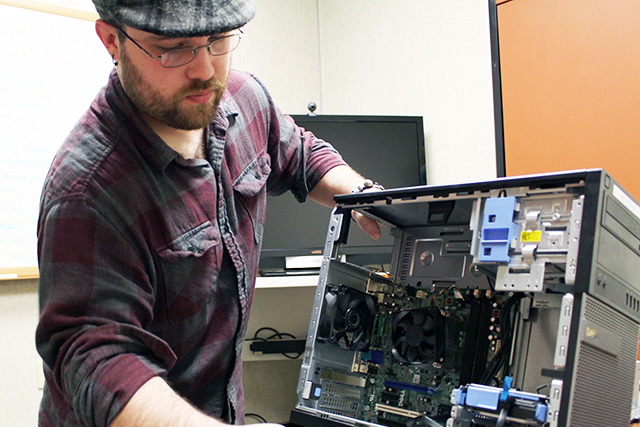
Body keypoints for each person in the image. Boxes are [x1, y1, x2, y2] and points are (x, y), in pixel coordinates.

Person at [35, 1, 382, 426]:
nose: (204, 70)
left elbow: (300, 153)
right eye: (173, 48)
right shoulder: (87, 191)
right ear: (112, 40)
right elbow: (100, 363)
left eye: (218, 40)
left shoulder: (243, 96)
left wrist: (362, 195)